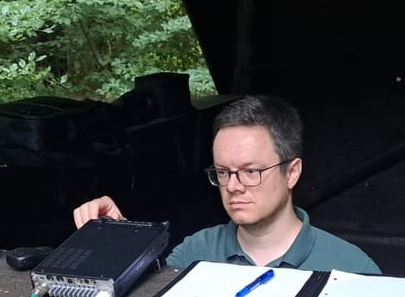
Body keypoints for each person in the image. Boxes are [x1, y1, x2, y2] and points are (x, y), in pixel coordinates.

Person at [72, 95, 380, 273]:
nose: (233, 186)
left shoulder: (350, 268)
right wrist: (119, 235)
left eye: (251, 171)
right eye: (223, 172)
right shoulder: (196, 251)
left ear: (292, 172)